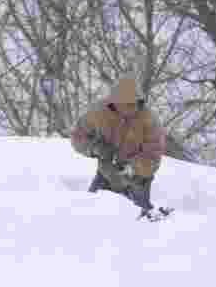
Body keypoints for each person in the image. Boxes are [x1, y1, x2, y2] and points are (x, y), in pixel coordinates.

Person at [71, 74, 167, 214]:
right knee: (88, 211)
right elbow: (77, 136)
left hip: (137, 180)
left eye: (133, 104)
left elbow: (153, 157)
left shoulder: (150, 120)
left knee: (136, 220)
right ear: (114, 102)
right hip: (106, 174)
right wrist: (96, 148)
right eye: (125, 104)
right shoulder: (98, 112)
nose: (130, 108)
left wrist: (130, 168)